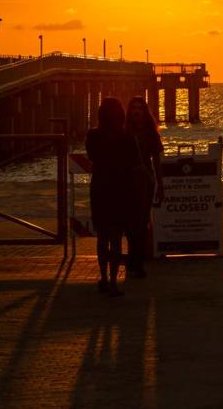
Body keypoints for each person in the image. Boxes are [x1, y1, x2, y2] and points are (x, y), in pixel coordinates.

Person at [86, 97, 140, 297]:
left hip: (100, 189)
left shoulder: (93, 136)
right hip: (120, 190)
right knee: (116, 238)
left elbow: (91, 156)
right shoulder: (127, 138)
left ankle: (102, 277)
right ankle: (114, 281)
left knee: (102, 237)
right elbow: (135, 164)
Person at [125, 96, 164, 279]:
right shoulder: (124, 132)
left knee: (142, 222)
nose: (136, 112)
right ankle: (132, 259)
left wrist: (160, 184)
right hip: (128, 181)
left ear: (144, 111)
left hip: (146, 180)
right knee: (130, 223)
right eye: (134, 108)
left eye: (140, 108)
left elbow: (156, 160)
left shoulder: (151, 133)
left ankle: (138, 262)